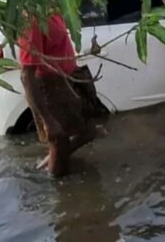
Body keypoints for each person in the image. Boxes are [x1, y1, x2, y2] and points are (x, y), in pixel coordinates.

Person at [18, 12, 108, 177]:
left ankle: (51, 163)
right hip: (50, 84)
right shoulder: (32, 18)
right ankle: (57, 182)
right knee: (59, 140)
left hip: (68, 78)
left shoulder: (51, 6)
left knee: (88, 130)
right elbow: (26, 75)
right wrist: (48, 120)